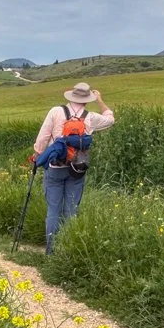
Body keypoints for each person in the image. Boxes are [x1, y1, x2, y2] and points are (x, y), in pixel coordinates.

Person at [32, 82, 115, 254]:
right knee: (71, 209)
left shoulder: (56, 111)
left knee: (53, 209)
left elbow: (43, 136)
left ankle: (51, 251)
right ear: (87, 100)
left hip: (55, 166)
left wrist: (37, 154)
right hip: (77, 168)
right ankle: (68, 251)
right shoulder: (90, 117)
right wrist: (100, 99)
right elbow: (110, 119)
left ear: (71, 96)